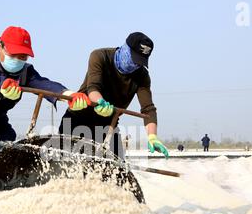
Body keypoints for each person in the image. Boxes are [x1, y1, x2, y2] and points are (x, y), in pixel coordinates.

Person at [0, 26, 89, 201]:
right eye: (13, 54)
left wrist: (67, 95)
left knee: (11, 161)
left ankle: (8, 201)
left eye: (22, 56)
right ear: (0, 46)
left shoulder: (25, 72)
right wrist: (3, 85)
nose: (17, 60)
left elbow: (44, 85)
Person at [58, 32, 169, 160]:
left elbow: (148, 108)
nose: (135, 65)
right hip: (78, 118)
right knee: (66, 164)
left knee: (119, 172)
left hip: (108, 125)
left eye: (139, 63)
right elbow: (93, 87)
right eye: (133, 59)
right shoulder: (100, 56)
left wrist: (152, 136)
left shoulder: (142, 76)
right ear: (125, 48)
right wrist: (100, 102)